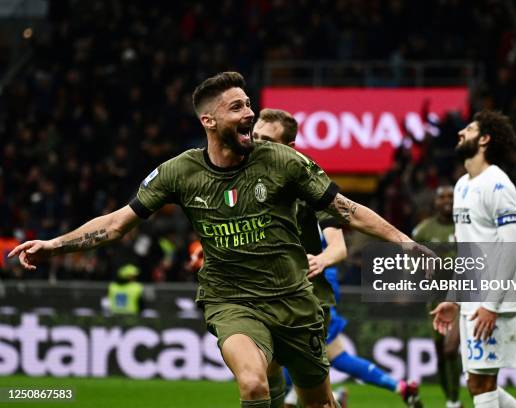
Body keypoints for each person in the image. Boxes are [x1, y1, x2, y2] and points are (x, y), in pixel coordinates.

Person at [9, 72, 432, 408]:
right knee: (252, 385)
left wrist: (403, 241)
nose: (249, 112)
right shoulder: (180, 171)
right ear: (208, 121)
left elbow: (346, 209)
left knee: (318, 403)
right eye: (237, 107)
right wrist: (53, 244)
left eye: (249, 104)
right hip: (231, 300)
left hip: (294, 301)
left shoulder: (284, 162)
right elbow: (118, 222)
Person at [253, 108, 421, 407]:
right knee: (269, 375)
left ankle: (383, 389)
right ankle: (393, 388)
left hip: (309, 289)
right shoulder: (244, 178)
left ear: (288, 148)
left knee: (300, 372)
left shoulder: (307, 184)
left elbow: (339, 244)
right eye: (254, 137)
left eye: (266, 140)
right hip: (266, 289)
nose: (256, 144)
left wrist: (323, 259)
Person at [431, 110, 516, 408]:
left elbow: (514, 249)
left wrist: (490, 305)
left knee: (482, 384)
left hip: (493, 300)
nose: (460, 133)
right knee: (476, 384)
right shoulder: (461, 185)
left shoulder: (499, 185)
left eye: (468, 129)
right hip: (472, 299)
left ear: (484, 139)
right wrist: (454, 298)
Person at [412, 185, 462, 408]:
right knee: (441, 352)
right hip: (435, 296)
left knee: (452, 349)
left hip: (462, 295)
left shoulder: (465, 226)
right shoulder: (423, 230)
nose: (446, 200)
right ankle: (451, 399)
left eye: (450, 196)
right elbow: (412, 262)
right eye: (442, 197)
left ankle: (455, 399)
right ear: (435, 202)